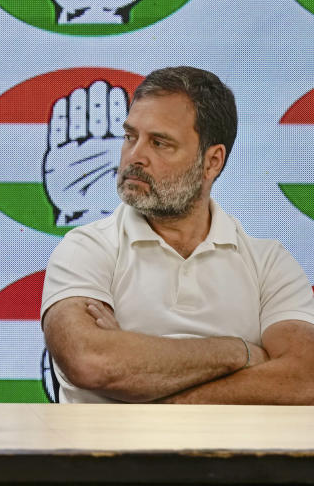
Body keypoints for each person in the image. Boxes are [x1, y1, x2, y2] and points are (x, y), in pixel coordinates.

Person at [41, 66, 314, 404]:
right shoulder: (85, 248)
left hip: (235, 457)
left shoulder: (269, 263)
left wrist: (158, 389)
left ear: (212, 162)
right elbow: (91, 361)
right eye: (130, 136)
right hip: (110, 457)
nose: (135, 156)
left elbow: (304, 379)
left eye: (160, 143)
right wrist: (239, 352)